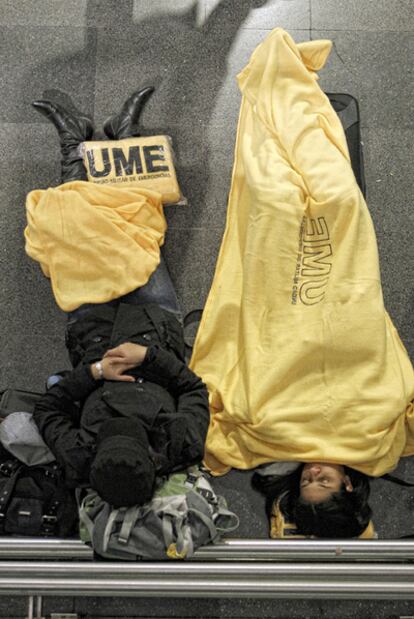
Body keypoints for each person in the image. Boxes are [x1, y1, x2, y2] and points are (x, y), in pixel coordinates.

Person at [30, 88, 210, 508]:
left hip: (94, 335)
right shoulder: (181, 447)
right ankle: (125, 137)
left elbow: (50, 411)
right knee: (138, 238)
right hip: (154, 327)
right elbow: (194, 391)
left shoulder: (79, 458)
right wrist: (148, 360)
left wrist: (94, 372)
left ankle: (74, 144)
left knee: (78, 233)